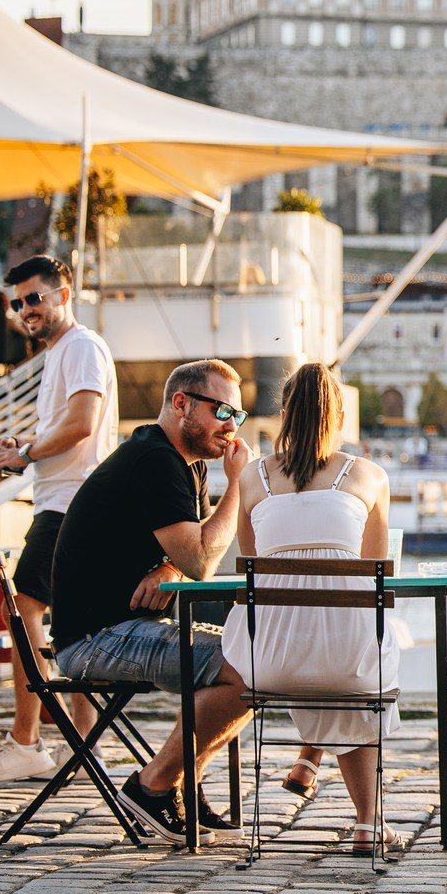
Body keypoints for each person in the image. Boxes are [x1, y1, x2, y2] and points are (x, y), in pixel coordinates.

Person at [48, 360, 255, 844]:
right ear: (181, 403)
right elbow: (205, 556)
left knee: (252, 662)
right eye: (222, 410)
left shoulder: (184, 462)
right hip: (94, 639)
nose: (230, 426)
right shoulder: (155, 460)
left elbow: (187, 554)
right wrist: (237, 486)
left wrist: (169, 567)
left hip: (122, 627)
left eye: (238, 415)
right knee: (247, 670)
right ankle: (154, 786)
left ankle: (177, 785)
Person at [219, 363, 403, 847]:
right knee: (350, 654)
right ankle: (368, 822)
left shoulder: (252, 477)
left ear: (284, 414)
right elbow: (375, 572)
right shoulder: (369, 476)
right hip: (347, 669)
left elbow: (251, 564)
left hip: (266, 665)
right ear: (339, 414)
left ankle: (308, 759)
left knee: (312, 639)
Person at [0, 256, 117, 784]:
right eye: (18, 301)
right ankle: (84, 745)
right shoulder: (60, 354)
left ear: (63, 294)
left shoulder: (79, 346)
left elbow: (82, 422)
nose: (27, 309)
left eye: (35, 298)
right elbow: (64, 427)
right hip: (67, 502)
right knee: (71, 621)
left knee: (23, 606)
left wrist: (26, 453)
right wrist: (23, 446)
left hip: (69, 504)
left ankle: (27, 741)